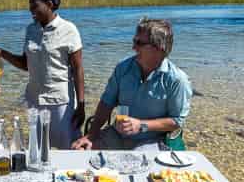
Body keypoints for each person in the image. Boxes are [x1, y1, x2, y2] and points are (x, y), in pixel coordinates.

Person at [0, 0, 86, 149]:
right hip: (35, 100)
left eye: (34, 4)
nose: (30, 9)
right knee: (39, 151)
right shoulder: (31, 30)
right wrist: (2, 53)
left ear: (49, 4)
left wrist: (81, 105)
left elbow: (78, 69)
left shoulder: (69, 30)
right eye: (30, 4)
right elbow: (26, 64)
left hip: (60, 102)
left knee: (69, 150)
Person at [72, 18, 191, 152]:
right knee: (80, 151)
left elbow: (176, 121)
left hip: (152, 140)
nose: (133, 47)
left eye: (139, 43)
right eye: (134, 41)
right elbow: (106, 103)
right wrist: (91, 135)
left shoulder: (177, 80)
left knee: (138, 164)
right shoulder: (123, 68)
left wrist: (142, 125)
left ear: (159, 48)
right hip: (117, 134)